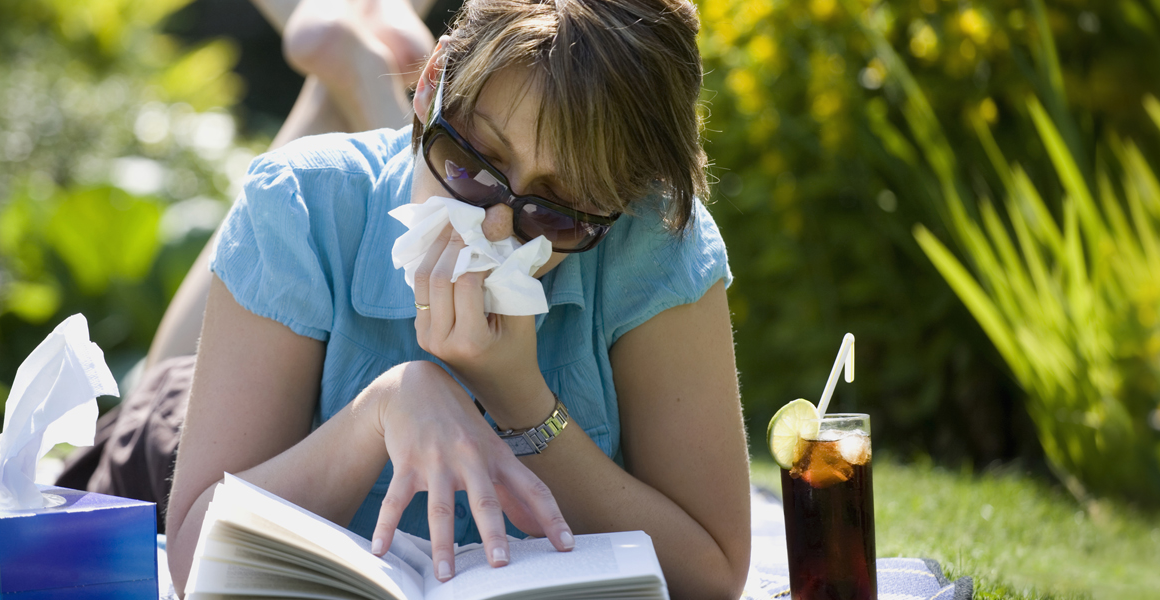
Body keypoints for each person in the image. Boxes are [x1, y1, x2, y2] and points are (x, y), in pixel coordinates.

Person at [65, 0, 751, 596]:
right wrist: (379, 410)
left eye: (559, 211)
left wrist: (521, 402)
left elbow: (715, 575)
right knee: (160, 388)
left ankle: (357, 82)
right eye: (474, 162)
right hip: (173, 432)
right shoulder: (300, 202)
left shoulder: (652, 239)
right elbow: (190, 557)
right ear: (429, 84)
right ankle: (351, 83)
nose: (495, 229)